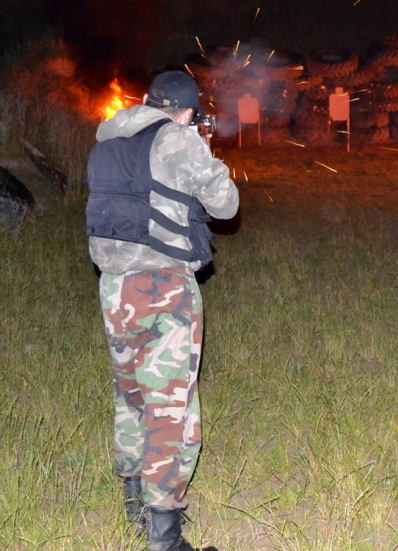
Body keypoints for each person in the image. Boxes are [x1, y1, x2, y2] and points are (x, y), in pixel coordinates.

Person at [86, 71, 239, 551]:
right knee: (171, 408)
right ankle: (165, 538)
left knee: (130, 397)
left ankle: (134, 506)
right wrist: (200, 147)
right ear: (186, 111)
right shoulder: (179, 140)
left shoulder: (108, 139)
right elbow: (227, 205)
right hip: (165, 289)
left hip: (114, 288)